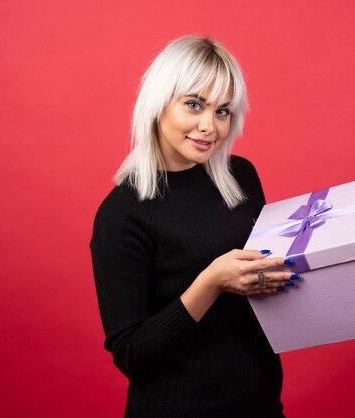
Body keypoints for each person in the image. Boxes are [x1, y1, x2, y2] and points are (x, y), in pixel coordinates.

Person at [90, 35, 300, 418]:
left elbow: (261, 284)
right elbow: (131, 355)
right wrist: (211, 282)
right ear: (158, 103)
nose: (210, 126)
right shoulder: (122, 215)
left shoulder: (242, 178)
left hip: (262, 405)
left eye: (223, 111)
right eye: (193, 105)